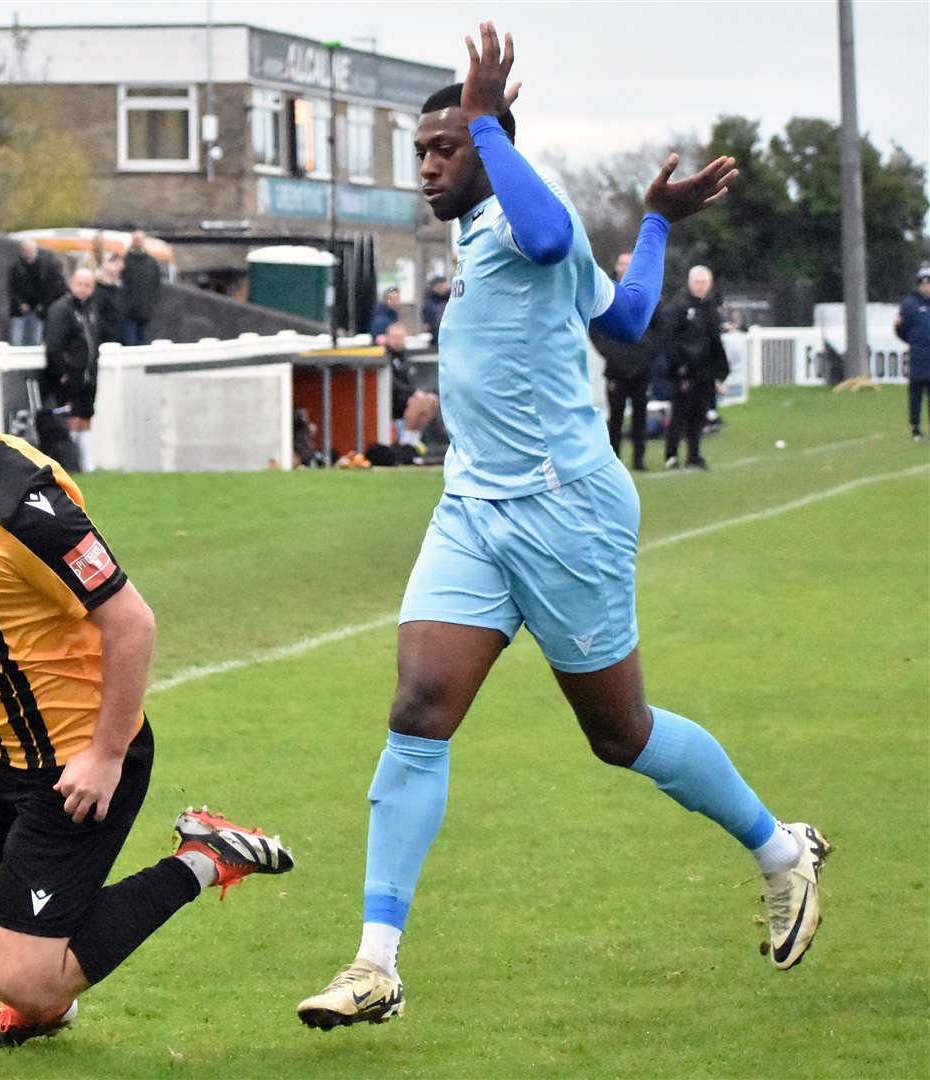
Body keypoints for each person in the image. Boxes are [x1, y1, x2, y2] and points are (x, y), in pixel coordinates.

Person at [295, 25, 828, 1032]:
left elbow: (546, 240)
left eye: (445, 149)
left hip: (566, 511)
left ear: (493, 144)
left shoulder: (527, 220)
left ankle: (779, 849)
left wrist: (492, 126)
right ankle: (376, 963)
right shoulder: (476, 230)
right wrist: (662, 225)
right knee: (417, 707)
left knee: (620, 735)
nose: (428, 168)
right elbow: (624, 321)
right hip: (474, 508)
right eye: (423, 152)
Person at [0, 326, 293, 1051]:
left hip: (73, 760)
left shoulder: (25, 509)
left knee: (23, 980)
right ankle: (44, 998)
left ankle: (205, 857)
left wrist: (106, 755)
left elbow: (133, 623)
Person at [589, 251, 656, 471]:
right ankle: (613, 460)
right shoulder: (604, 292)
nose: (625, 267)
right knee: (615, 417)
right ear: (616, 266)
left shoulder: (644, 293)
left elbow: (657, 329)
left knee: (640, 416)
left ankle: (639, 458)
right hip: (616, 369)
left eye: (629, 264)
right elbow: (596, 329)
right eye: (622, 263)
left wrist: (645, 355)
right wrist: (612, 355)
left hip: (641, 369)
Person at [662, 264, 729, 470]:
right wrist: (678, 364)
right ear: (690, 283)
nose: (701, 287)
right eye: (697, 282)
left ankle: (694, 454)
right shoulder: (679, 306)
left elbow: (715, 339)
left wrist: (721, 369)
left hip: (705, 369)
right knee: (681, 412)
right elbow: (669, 338)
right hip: (685, 369)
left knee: (700, 413)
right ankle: (671, 454)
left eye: (704, 283)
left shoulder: (710, 307)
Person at [43, 268, 101, 471]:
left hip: (87, 375)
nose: (84, 289)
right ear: (72, 283)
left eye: (88, 285)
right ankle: (71, 463)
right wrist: (61, 373)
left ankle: (87, 464)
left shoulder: (90, 310)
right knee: (71, 417)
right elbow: (54, 344)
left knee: (86, 415)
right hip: (69, 375)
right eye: (80, 284)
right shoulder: (61, 309)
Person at [384, 322, 438, 450]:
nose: (398, 341)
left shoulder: (405, 358)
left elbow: (412, 381)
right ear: (387, 338)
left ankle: (414, 441)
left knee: (432, 400)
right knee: (418, 401)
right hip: (391, 399)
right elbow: (392, 384)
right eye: (395, 337)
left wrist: (419, 392)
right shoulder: (384, 356)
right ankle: (404, 443)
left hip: (406, 397)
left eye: (401, 338)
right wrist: (413, 393)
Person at [894, 265, 930, 442]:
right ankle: (915, 428)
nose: (926, 286)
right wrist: (914, 342)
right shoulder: (910, 305)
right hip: (917, 358)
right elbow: (900, 329)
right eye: (924, 283)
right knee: (915, 396)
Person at [9, 240, 66, 347]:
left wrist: (42, 305)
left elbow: (49, 290)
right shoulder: (15, 267)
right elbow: (12, 289)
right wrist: (20, 303)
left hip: (38, 311)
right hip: (19, 312)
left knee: (35, 342)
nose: (28, 253)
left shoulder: (44, 267)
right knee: (16, 342)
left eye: (30, 250)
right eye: (26, 250)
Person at [120, 231, 161, 346]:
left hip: (145, 313)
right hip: (128, 314)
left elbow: (156, 285)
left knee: (142, 347)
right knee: (130, 346)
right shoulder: (124, 261)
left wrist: (151, 305)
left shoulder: (151, 262)